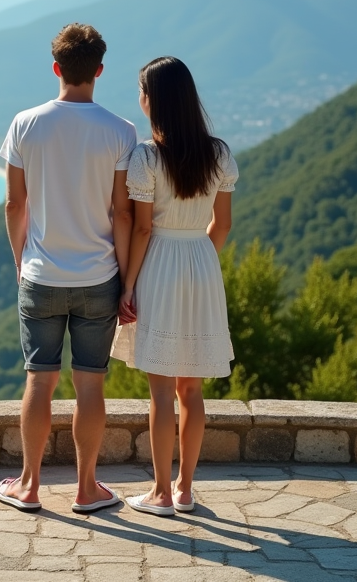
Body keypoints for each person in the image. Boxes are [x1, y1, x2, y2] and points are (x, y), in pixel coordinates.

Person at [0, 23, 138, 514]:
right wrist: (125, 278)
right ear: (99, 71)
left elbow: (16, 204)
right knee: (90, 383)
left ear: (56, 68)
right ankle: (86, 489)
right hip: (99, 277)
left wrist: (20, 258)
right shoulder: (121, 131)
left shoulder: (25, 124)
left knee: (40, 378)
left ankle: (29, 486)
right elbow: (123, 212)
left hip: (39, 274)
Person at [111, 55, 238, 516]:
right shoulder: (219, 153)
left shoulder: (146, 157)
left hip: (160, 263)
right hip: (202, 264)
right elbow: (221, 226)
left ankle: (161, 493)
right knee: (192, 389)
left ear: (153, 100)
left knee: (161, 391)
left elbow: (142, 230)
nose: (139, 99)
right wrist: (199, 263)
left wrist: (128, 285)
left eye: (141, 92)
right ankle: (185, 489)